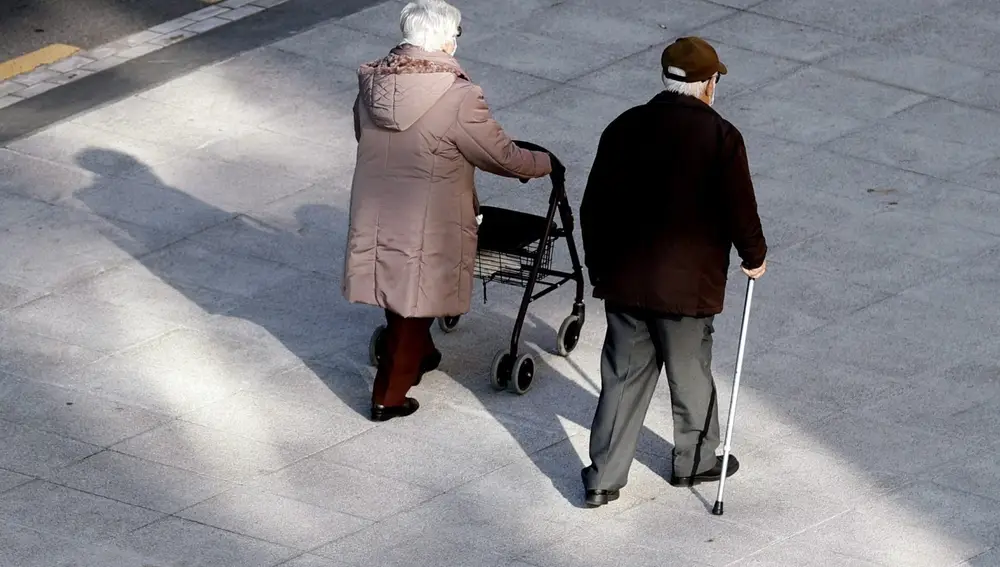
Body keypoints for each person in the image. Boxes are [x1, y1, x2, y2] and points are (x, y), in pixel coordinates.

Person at [343, 0, 555, 422]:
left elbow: (360, 134)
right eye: (456, 33)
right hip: (430, 217)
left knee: (399, 287)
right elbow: (501, 155)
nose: (457, 40)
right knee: (414, 301)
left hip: (377, 205)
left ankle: (422, 354)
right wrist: (545, 163)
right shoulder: (458, 95)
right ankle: (388, 396)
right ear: (441, 39)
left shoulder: (372, 85)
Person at [578, 37, 767, 507]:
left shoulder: (623, 127)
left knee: (621, 378)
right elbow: (739, 208)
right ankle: (697, 462)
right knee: (690, 375)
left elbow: (593, 206)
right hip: (686, 290)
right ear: (708, 86)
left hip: (625, 282)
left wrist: (600, 266)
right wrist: (754, 255)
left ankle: (603, 477)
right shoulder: (721, 137)